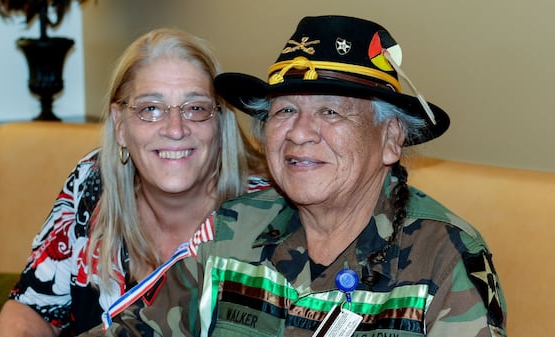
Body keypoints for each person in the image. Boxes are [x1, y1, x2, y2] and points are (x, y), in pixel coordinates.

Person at [84, 15, 507, 336]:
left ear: (391, 139)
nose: (299, 133)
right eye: (284, 111)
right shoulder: (230, 230)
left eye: (330, 111)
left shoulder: (446, 257)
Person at [0, 27, 269, 337]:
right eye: (150, 109)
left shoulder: (267, 215)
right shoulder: (91, 182)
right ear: (120, 125)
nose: (175, 129)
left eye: (196, 108)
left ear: (219, 122)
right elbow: (30, 307)